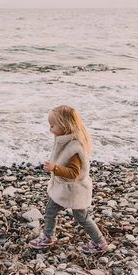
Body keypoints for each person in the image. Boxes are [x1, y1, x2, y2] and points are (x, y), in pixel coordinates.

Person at [28, 105, 108, 253]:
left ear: (65, 126)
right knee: (50, 211)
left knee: (82, 217)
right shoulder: (64, 139)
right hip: (63, 188)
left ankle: (100, 242)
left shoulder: (74, 147)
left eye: (52, 126)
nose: (50, 129)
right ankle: (47, 237)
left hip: (74, 190)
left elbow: (74, 173)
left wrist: (55, 168)